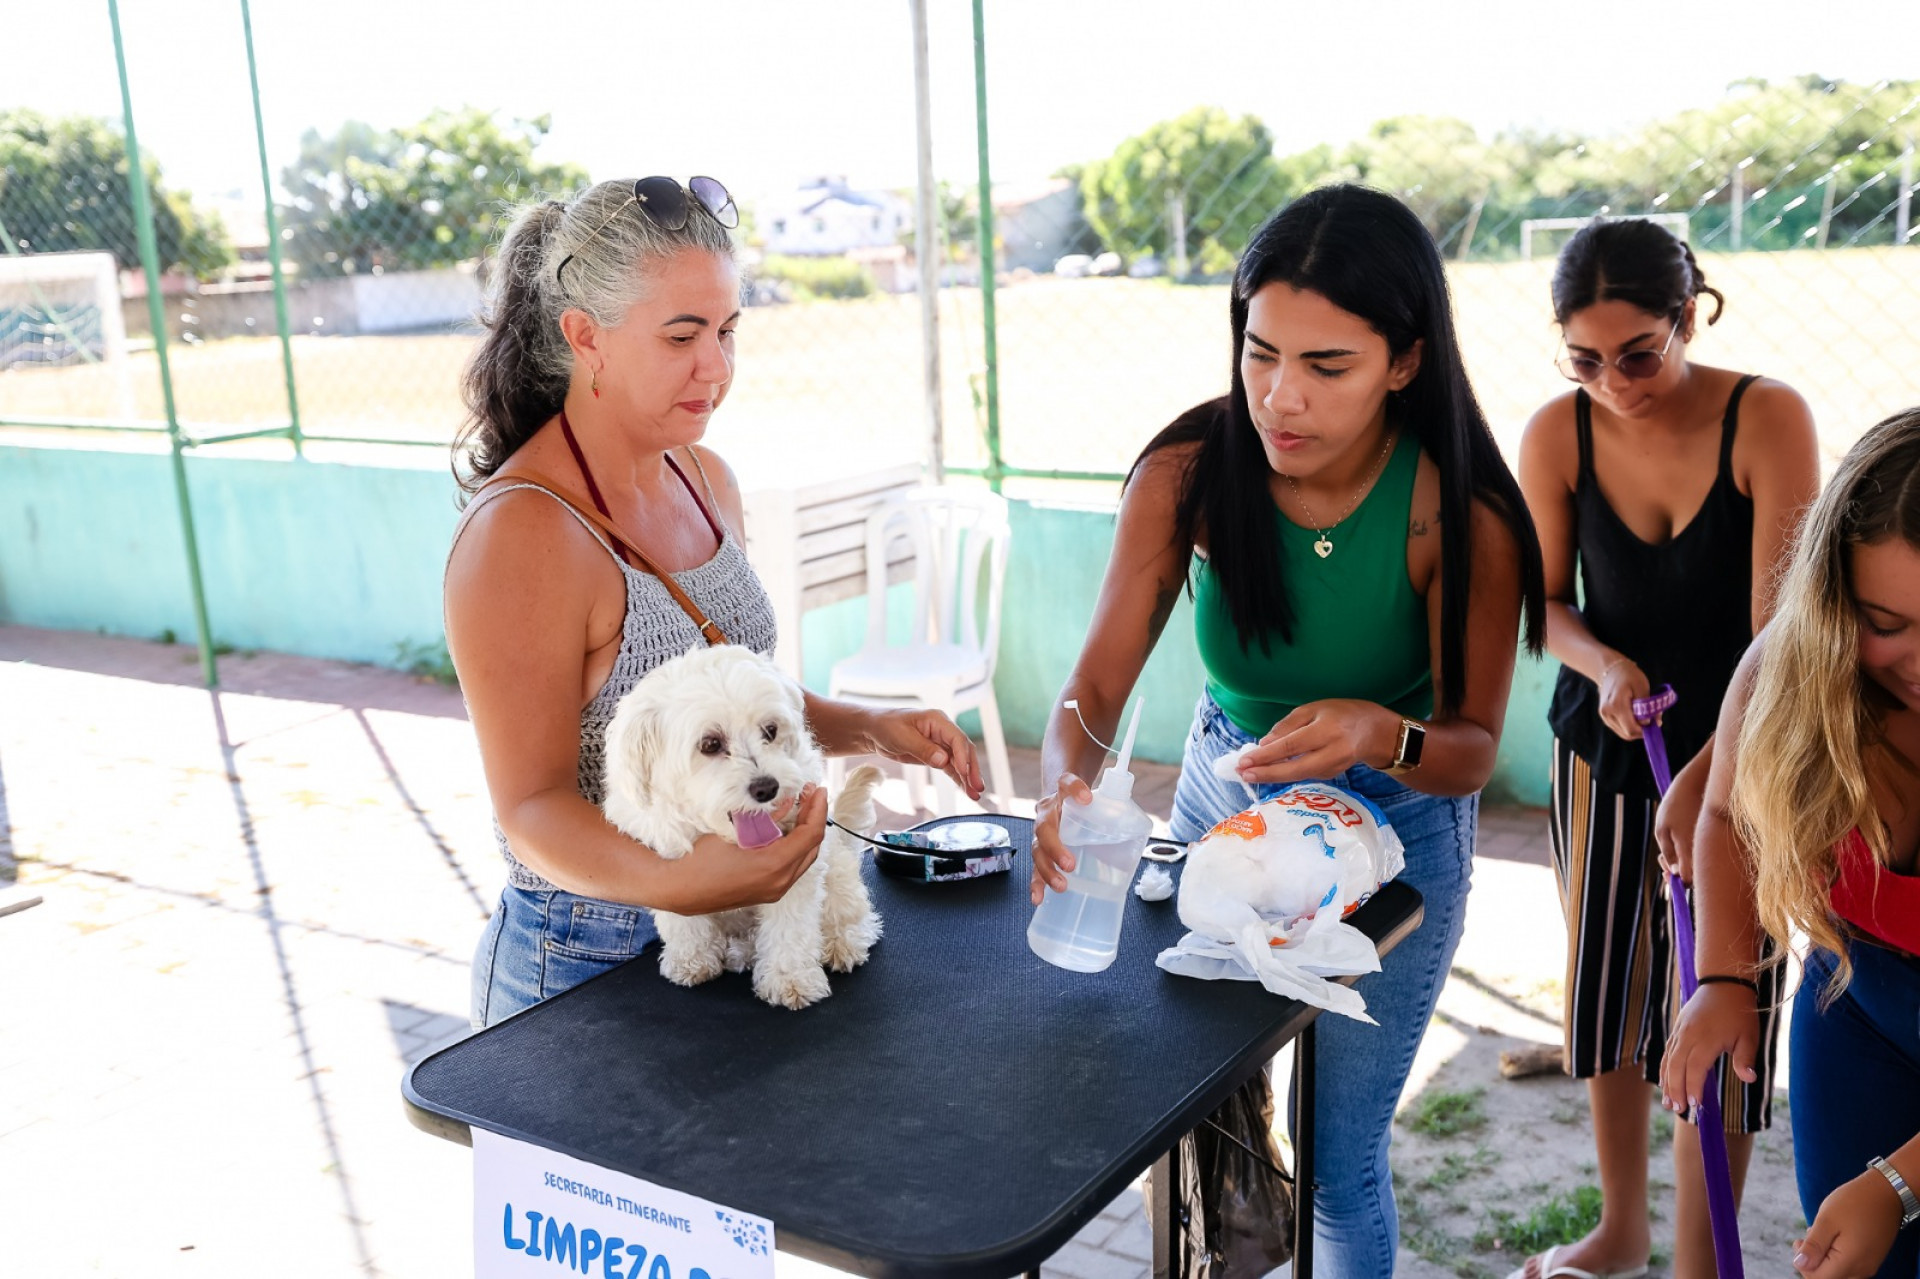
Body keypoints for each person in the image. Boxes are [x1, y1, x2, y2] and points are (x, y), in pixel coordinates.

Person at [1029, 183, 1547, 1276]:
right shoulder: (1188, 473)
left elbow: (1468, 752)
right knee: (1205, 1107)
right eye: (1260, 353)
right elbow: (1091, 692)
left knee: (1336, 1158)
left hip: (1396, 825)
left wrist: (1377, 733)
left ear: (1405, 361)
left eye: (1327, 366)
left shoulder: (1457, 510)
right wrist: (1065, 787)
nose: (1280, 397)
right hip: (1228, 792)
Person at [446, 177, 982, 1028]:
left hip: (739, 921)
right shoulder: (522, 537)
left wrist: (876, 726)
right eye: (682, 336)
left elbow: (737, 701)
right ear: (586, 338)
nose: (718, 368)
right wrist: (682, 883)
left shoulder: (705, 480)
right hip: (593, 957)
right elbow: (532, 809)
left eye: (729, 330)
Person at [1514, 218, 1820, 1279]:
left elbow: (1783, 636)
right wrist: (1602, 666)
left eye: (1639, 352)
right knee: (1610, 986)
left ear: (1690, 317)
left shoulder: (1767, 416)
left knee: (1724, 991)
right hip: (1605, 752)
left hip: (1748, 757)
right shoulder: (1559, 432)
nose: (1615, 381)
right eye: (1585, 359)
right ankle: (1621, 1231)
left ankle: (1702, 1258)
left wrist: (1710, 777)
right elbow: (1544, 605)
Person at [1661, 408, 1920, 1279]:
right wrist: (1727, 978)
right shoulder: (1790, 665)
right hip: (1854, 996)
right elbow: (1729, 817)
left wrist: (1898, 1181)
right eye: (1886, 621)